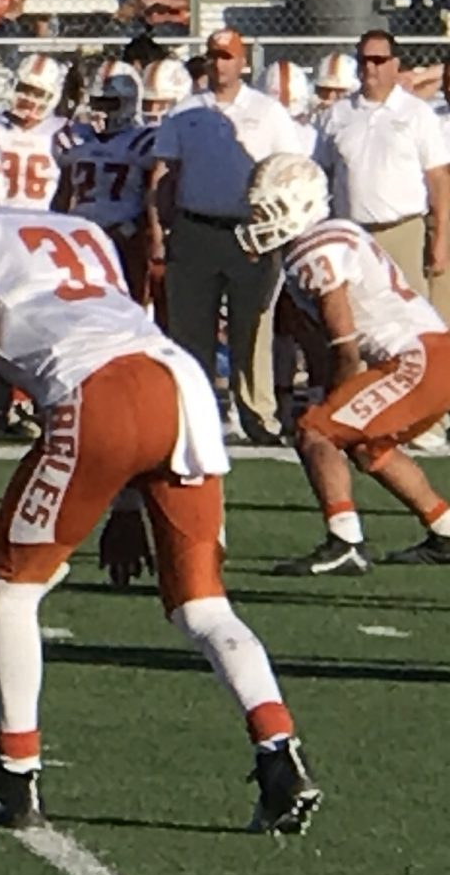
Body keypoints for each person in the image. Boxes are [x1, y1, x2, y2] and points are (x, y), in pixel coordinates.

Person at [0, 124, 318, 834]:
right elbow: (115, 324)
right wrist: (121, 503)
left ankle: (14, 777)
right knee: (202, 605)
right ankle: (279, 751)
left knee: (11, 586)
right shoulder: (72, 228)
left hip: (97, 391)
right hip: (177, 383)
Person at [239, 154, 450, 573]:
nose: (259, 218)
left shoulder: (317, 246)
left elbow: (343, 337)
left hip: (415, 358)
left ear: (299, 204)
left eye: (269, 209)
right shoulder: (327, 238)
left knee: (316, 430)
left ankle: (345, 540)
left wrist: (333, 394)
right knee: (368, 445)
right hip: (429, 356)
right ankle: (444, 529)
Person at [147, 29, 299, 445]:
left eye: (228, 57)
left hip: (251, 232)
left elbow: (289, 171)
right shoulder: (185, 111)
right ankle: (196, 417)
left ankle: (258, 418)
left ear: (243, 62)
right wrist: (160, 231)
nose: (220, 64)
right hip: (195, 228)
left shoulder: (268, 112)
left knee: (252, 329)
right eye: (214, 56)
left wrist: (278, 232)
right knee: (190, 330)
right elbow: (165, 174)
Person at [312, 31, 450, 321]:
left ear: (395, 64)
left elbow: (437, 180)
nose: (370, 68)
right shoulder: (337, 115)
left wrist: (440, 240)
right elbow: (320, 174)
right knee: (361, 322)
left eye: (378, 60)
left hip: (404, 232)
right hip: (353, 235)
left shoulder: (417, 114)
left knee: (413, 322)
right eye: (364, 60)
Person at [54, 61, 160, 310]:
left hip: (124, 233)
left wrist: (137, 230)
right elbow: (64, 194)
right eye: (97, 102)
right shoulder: (76, 137)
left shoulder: (143, 141)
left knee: (129, 306)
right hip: (80, 234)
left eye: (110, 103)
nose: (101, 110)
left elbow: (151, 196)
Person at [0, 54, 68, 210]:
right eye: (24, 89)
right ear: (13, 86)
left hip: (43, 220)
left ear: (53, 97)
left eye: (39, 93)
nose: (29, 99)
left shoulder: (60, 132)